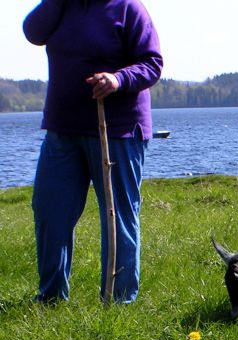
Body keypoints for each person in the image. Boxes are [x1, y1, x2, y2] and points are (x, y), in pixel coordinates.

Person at [23, 0, 163, 304]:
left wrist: (118, 79)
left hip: (117, 130)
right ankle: (51, 297)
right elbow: (32, 31)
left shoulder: (128, 8)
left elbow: (152, 63)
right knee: (50, 211)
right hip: (62, 129)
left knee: (118, 217)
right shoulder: (62, 6)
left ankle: (118, 300)